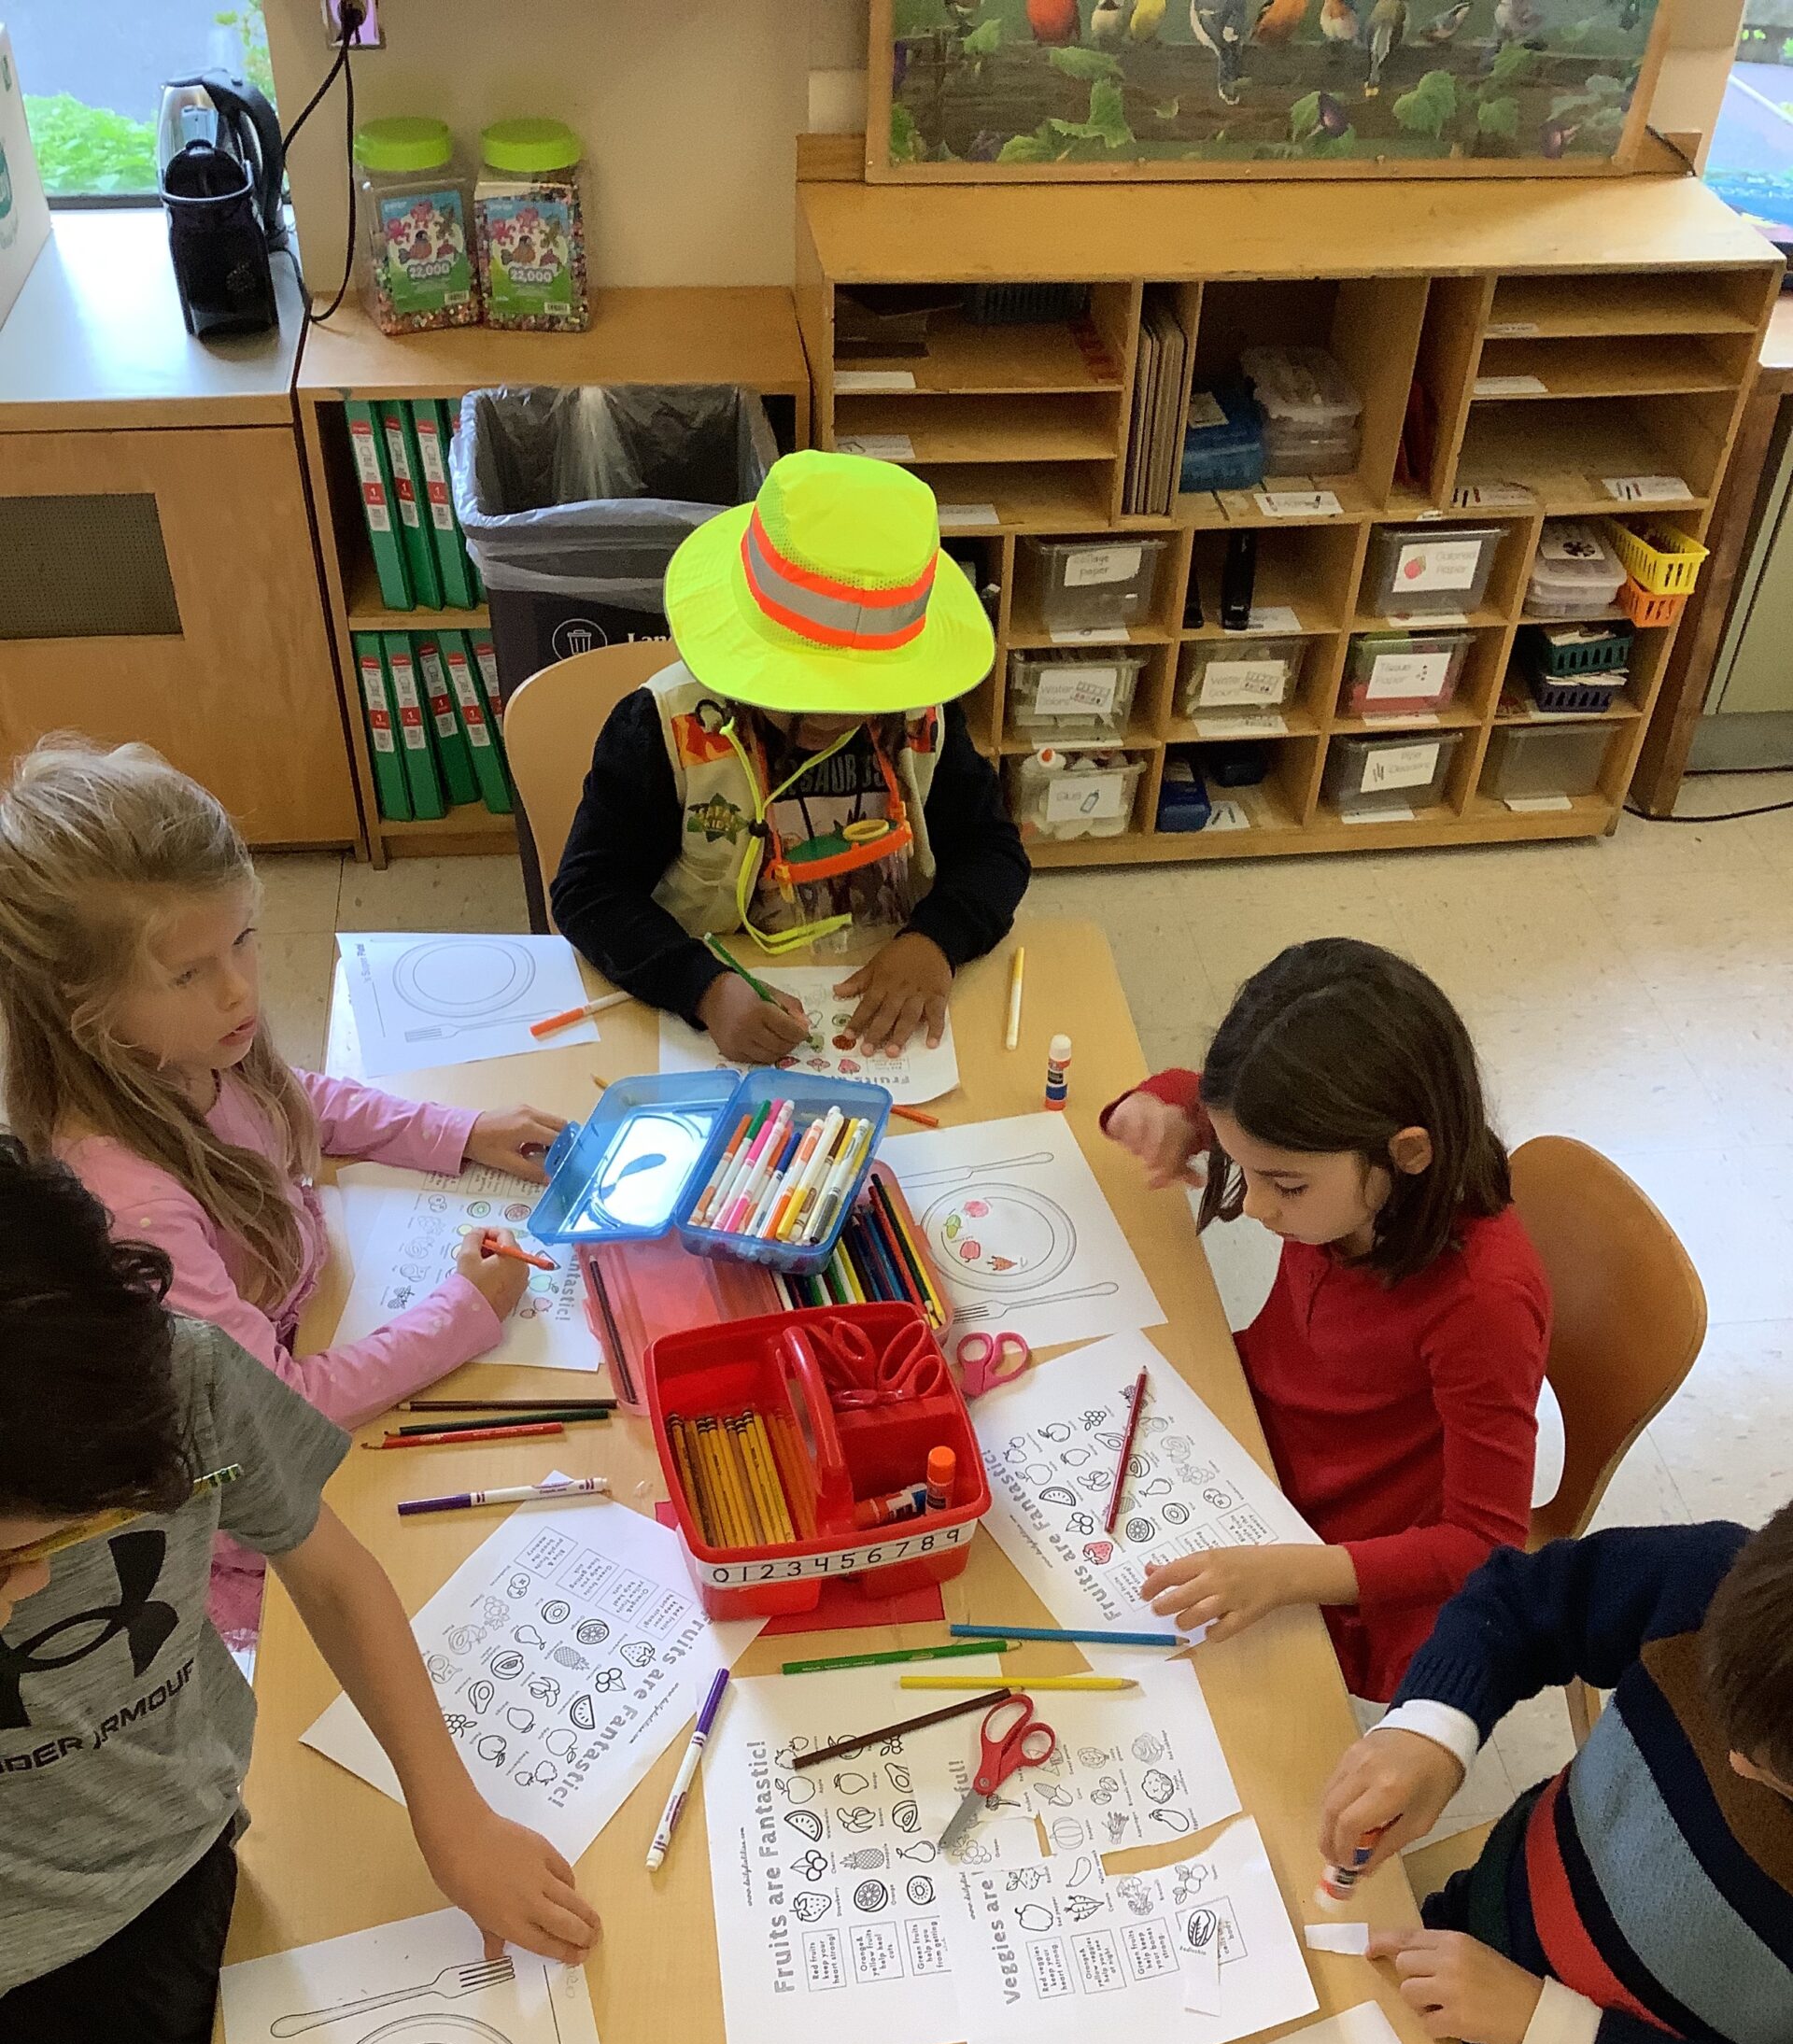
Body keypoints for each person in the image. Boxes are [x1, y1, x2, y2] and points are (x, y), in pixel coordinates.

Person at [0, 1140, 598, 2044]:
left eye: (58, 1545)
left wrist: (451, 1815)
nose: (22, 1595)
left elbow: (328, 1567)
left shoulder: (184, 1387)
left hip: (191, 1869)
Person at [0, 740, 568, 1648]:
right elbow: (283, 1411)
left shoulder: (187, 1053)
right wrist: (468, 1308)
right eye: (188, 972)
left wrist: (458, 1131)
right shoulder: (129, 1202)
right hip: (262, 1485)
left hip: (323, 1326)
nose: (239, 989)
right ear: (85, 1010)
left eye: (246, 938)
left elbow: (291, 1097)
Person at [1319, 1511, 1793, 2044]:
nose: (1733, 1758)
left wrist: (1551, 2028)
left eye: (1779, 1777)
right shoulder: (1725, 1585)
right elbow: (1527, 1597)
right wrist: (1432, 1730)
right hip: (1462, 1963)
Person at [1104, 937, 1549, 1701]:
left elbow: (1484, 1545)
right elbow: (1218, 1101)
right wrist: (1158, 1108)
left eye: (1284, 1185)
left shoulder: (1483, 1301)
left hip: (1344, 1547)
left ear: (1406, 1151)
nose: (1252, 1204)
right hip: (1253, 1444)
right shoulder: (1341, 1161)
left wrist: (1290, 1573)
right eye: (1244, 1170)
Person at [550, 449, 1028, 1065]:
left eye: (864, 694)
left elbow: (994, 852)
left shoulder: (923, 716)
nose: (833, 715)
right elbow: (589, 893)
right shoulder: (659, 730)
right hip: (720, 993)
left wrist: (936, 941)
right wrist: (702, 988)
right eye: (803, 691)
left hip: (883, 985)